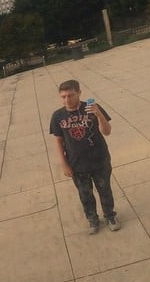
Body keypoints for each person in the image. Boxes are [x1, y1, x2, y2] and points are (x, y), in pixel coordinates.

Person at [49, 79, 120, 234]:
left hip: (99, 159)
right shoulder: (58, 116)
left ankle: (109, 215)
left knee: (105, 190)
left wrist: (99, 115)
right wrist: (64, 164)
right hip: (77, 164)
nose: (67, 100)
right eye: (63, 96)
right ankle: (92, 219)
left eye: (70, 95)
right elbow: (58, 141)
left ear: (79, 93)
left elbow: (107, 131)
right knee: (85, 194)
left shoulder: (93, 108)